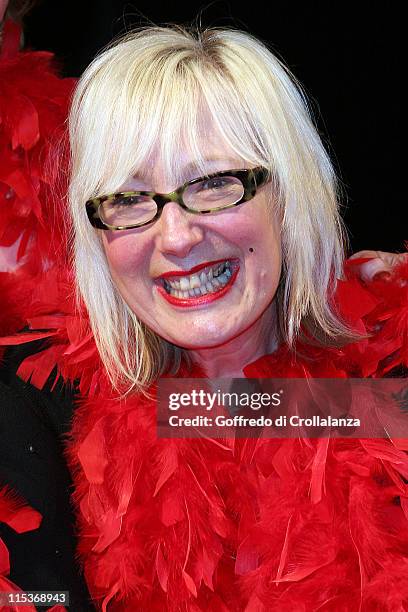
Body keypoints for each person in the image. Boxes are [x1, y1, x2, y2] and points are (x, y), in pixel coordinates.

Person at [1, 22, 407, 611]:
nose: (176, 236)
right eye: (128, 199)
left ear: (290, 199)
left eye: (215, 184)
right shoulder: (41, 407)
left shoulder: (387, 377)